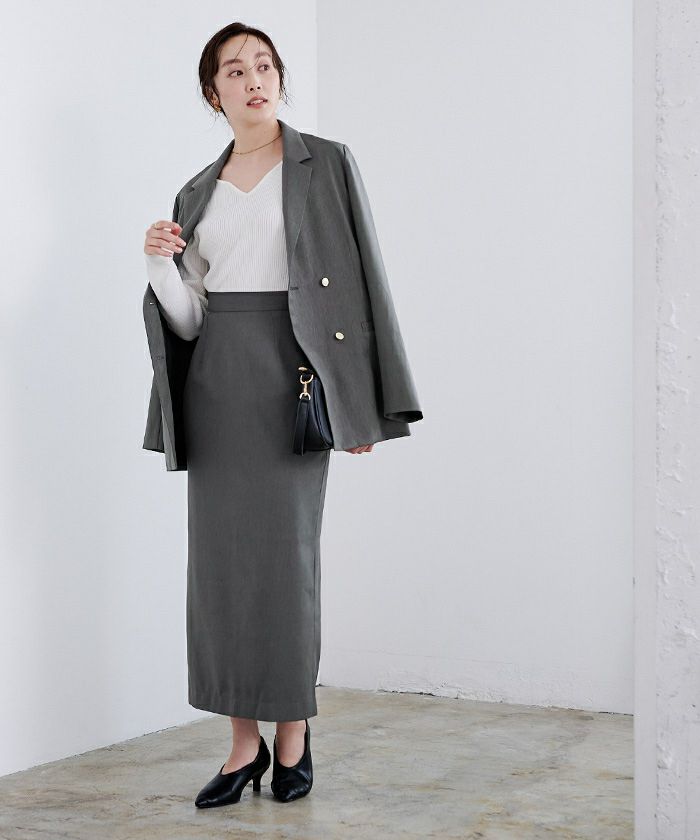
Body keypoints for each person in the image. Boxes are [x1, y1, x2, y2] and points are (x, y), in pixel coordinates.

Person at [142, 22, 422, 808]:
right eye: (235, 71)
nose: (254, 80)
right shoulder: (196, 192)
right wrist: (157, 264)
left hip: (294, 382)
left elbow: (365, 280)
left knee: (288, 562)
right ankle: (243, 746)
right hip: (218, 385)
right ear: (214, 93)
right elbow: (189, 321)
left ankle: (292, 733)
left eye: (264, 65)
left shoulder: (325, 163)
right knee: (222, 569)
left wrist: (359, 400)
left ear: (279, 78)